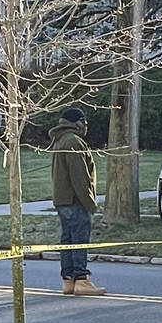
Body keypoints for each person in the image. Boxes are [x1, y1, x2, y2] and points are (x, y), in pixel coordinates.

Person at [49, 106, 106, 296]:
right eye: (85, 122)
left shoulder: (61, 140)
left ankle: (68, 280)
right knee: (79, 240)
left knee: (67, 240)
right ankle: (82, 279)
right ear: (77, 122)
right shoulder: (73, 141)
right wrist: (89, 203)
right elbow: (79, 177)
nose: (86, 125)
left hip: (62, 199)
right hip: (75, 200)